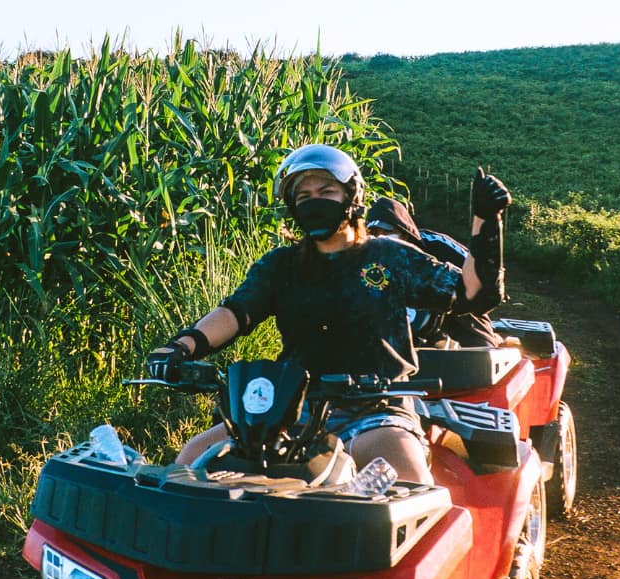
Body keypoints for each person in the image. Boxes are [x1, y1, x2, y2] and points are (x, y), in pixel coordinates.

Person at [145, 144, 512, 484]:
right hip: (290, 410)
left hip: (377, 409)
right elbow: (236, 312)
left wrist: (485, 222)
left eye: (326, 193)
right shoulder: (282, 265)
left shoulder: (388, 256)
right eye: (303, 196)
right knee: (193, 459)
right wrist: (181, 347)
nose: (313, 203)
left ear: (351, 197)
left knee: (407, 480)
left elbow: (471, 294)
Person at [365, 192, 510, 348]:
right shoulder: (365, 258)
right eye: (374, 233)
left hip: (452, 305)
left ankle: (484, 349)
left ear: (404, 233)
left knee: (469, 319)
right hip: (401, 315)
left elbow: (478, 267)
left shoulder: (436, 244)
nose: (381, 238)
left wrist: (488, 286)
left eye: (387, 232)